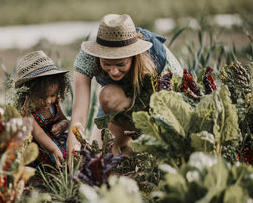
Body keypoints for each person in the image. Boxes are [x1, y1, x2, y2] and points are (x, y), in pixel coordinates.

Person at [67, 13, 183, 165]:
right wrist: (72, 159)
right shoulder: (87, 57)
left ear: (134, 56)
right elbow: (79, 117)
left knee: (147, 158)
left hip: (155, 110)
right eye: (107, 64)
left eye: (121, 64)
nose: (114, 71)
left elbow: (175, 108)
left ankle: (138, 149)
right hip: (117, 105)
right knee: (101, 160)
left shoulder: (157, 59)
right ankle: (125, 150)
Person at [14, 50, 70, 168]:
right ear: (28, 93)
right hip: (40, 145)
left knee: (72, 148)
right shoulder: (27, 111)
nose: (48, 101)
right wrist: (54, 150)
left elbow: (64, 119)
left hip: (55, 140)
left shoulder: (54, 104)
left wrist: (61, 126)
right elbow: (38, 133)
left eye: (53, 95)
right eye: (42, 97)